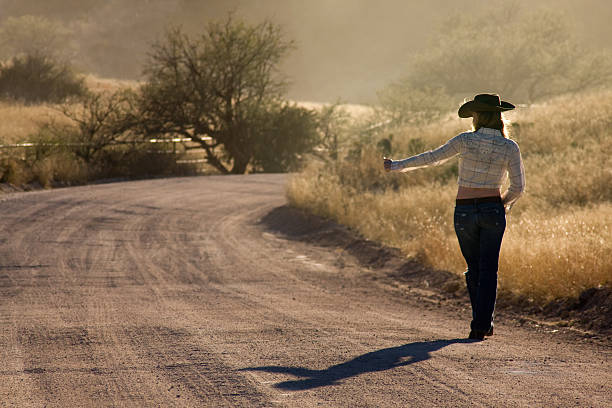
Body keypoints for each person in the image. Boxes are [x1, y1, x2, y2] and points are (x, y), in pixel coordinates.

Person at [383, 93, 525, 340]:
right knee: (489, 269)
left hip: (465, 210)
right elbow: (518, 187)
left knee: (474, 268)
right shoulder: (509, 147)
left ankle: (481, 321)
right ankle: (481, 323)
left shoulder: (465, 141)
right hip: (492, 208)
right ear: (499, 116)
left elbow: (432, 158)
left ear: (477, 116)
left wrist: (396, 165)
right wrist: (502, 204)